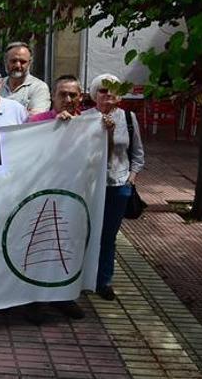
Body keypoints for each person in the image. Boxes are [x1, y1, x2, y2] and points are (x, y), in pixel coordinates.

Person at [21, 74, 88, 324]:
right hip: (40, 195)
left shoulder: (88, 124)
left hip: (74, 197)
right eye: (63, 94)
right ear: (53, 97)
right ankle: (35, 301)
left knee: (70, 246)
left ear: (80, 97)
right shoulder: (36, 123)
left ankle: (64, 296)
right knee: (39, 247)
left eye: (73, 95)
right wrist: (55, 129)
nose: (68, 99)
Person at [85, 73, 144, 301]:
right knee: (89, 232)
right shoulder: (85, 118)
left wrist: (132, 176)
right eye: (102, 90)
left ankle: (104, 280)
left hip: (118, 184)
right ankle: (84, 278)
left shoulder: (128, 118)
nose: (107, 95)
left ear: (119, 96)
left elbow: (137, 152)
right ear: (94, 95)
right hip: (91, 185)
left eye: (112, 91)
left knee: (108, 235)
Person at [0, 42, 51, 116]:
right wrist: (24, 112)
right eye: (13, 61)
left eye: (22, 62)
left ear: (29, 63)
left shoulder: (39, 87)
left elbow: (37, 118)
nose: (18, 65)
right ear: (5, 61)